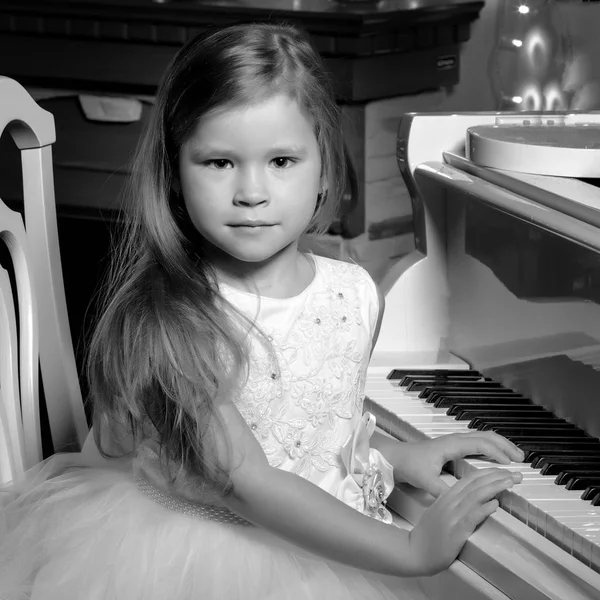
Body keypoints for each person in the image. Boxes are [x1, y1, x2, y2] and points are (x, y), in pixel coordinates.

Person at [0, 22, 523, 600]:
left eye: (281, 160)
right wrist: (409, 551)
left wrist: (392, 457)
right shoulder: (173, 318)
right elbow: (244, 479)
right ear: (174, 175)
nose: (252, 191)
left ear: (325, 168)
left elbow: (307, 432)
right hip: (200, 560)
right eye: (220, 162)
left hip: (314, 533)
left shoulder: (353, 291)